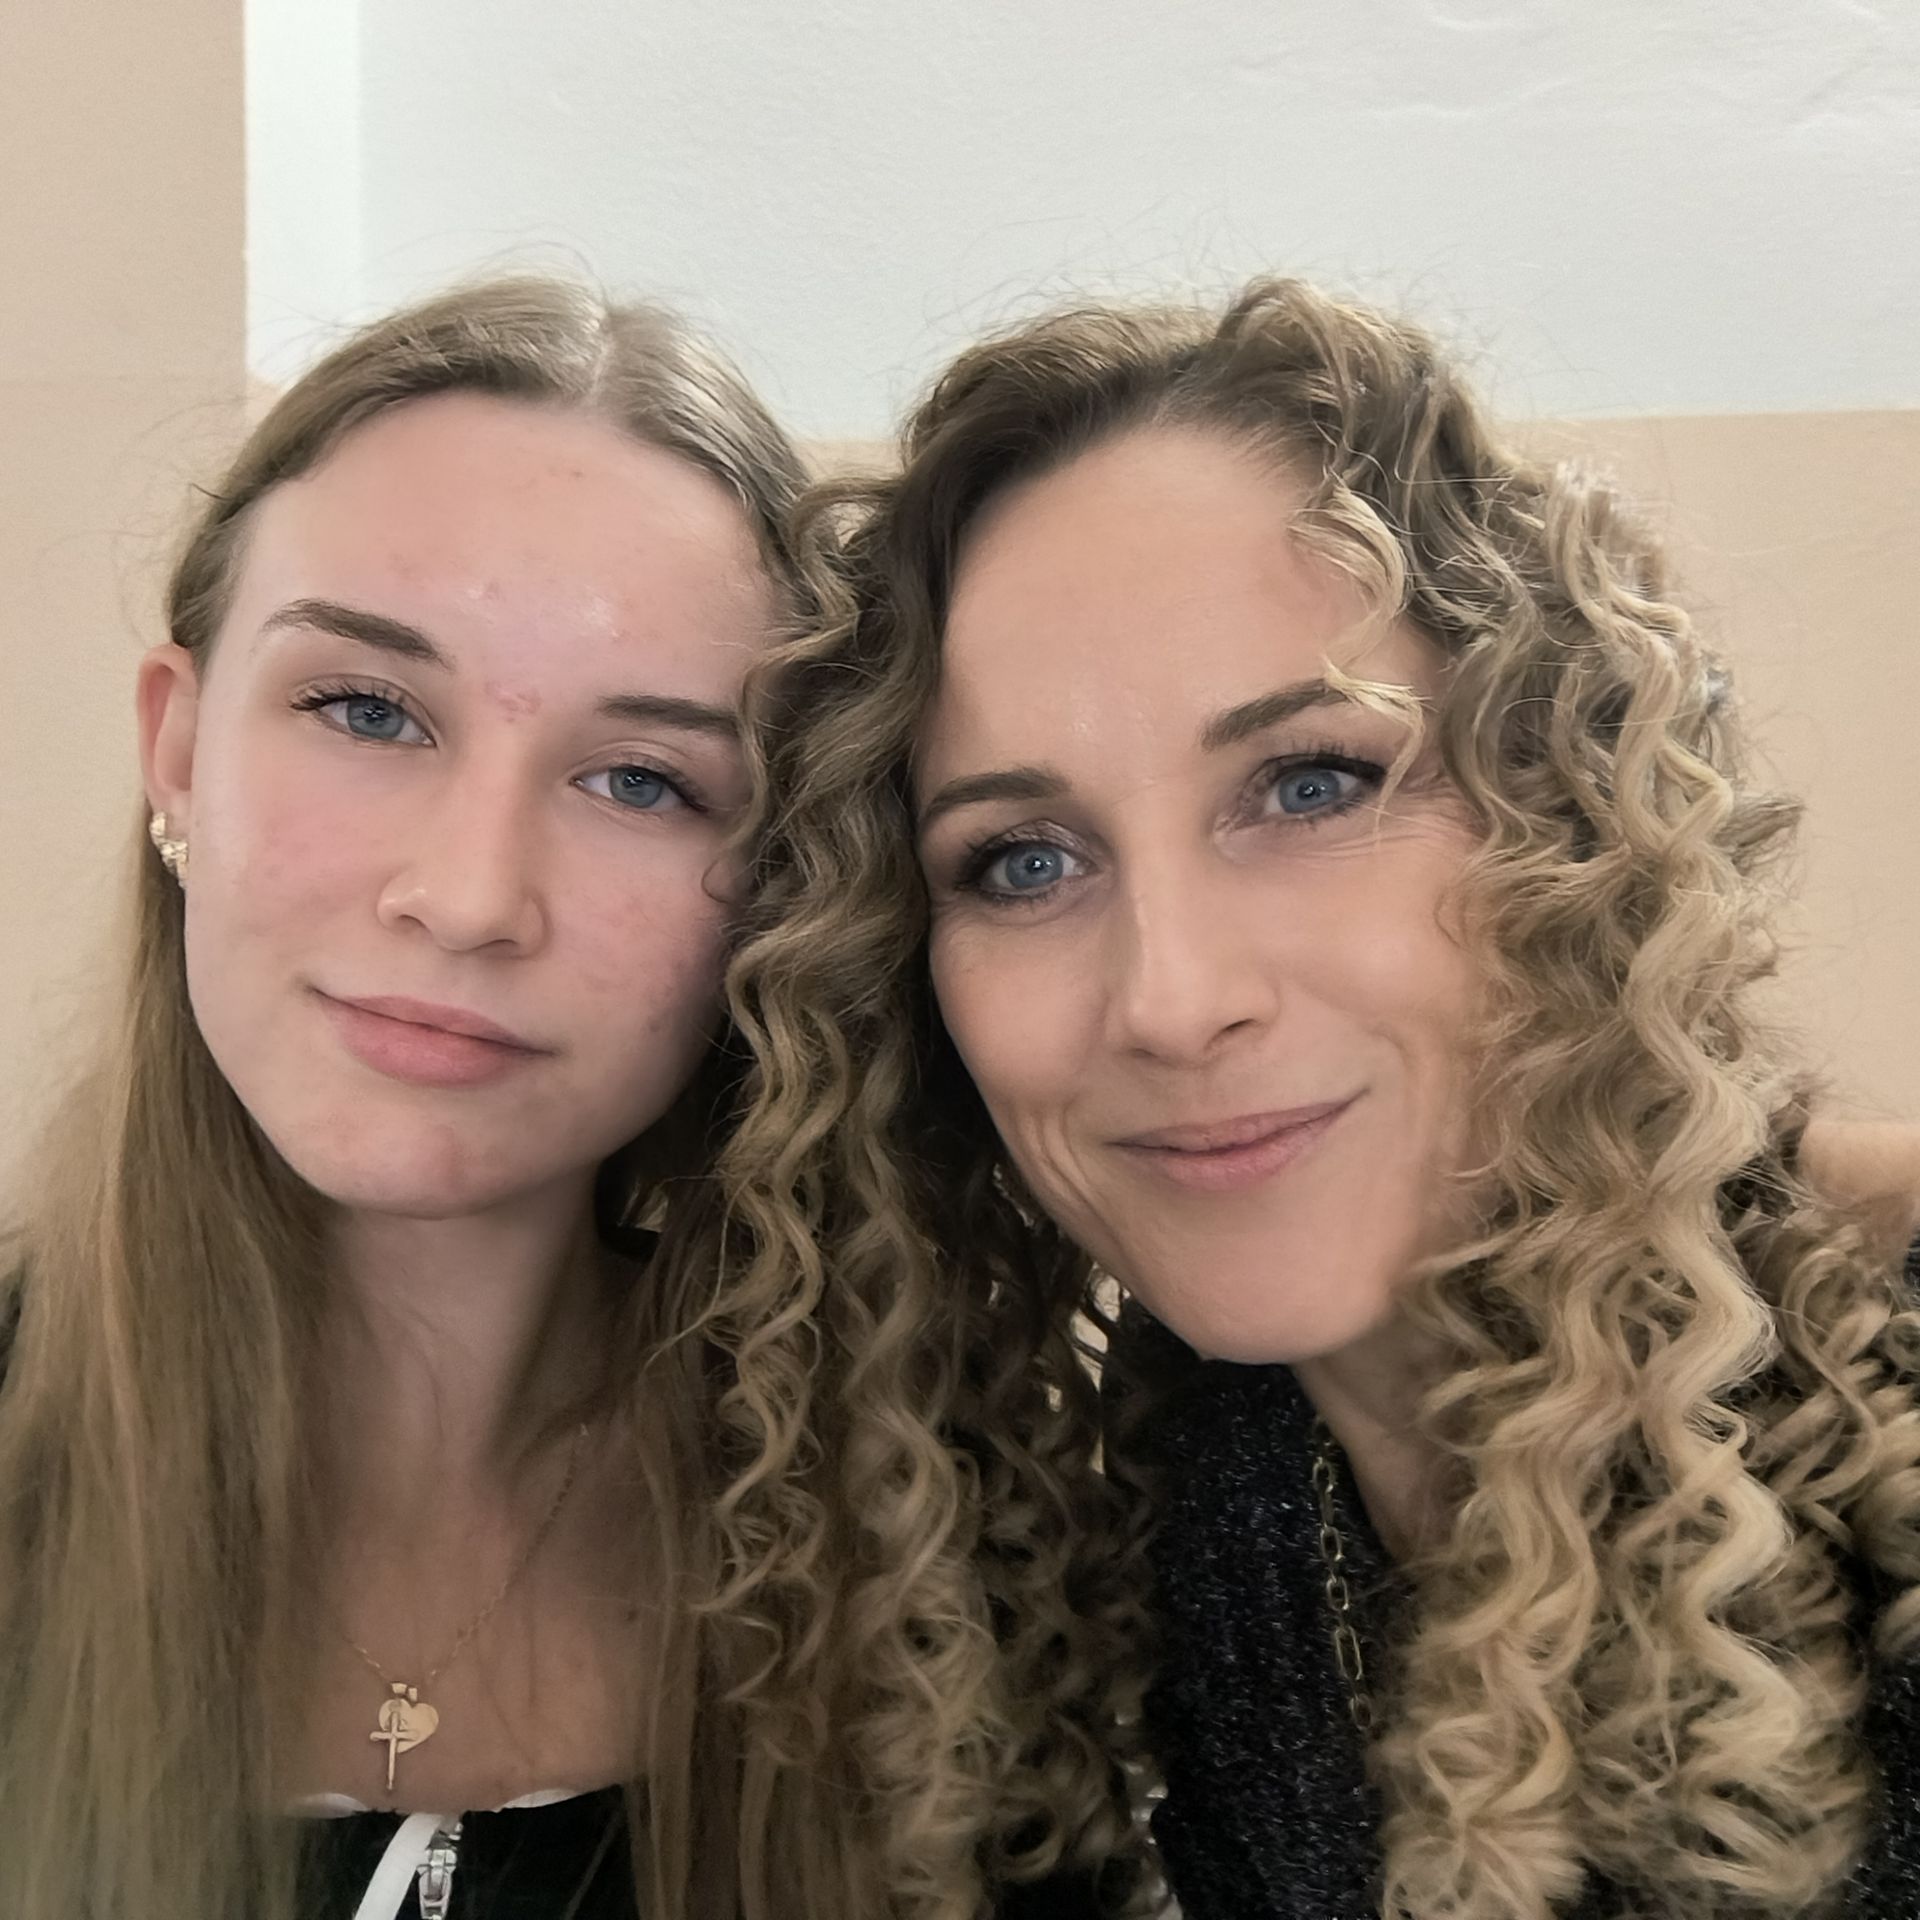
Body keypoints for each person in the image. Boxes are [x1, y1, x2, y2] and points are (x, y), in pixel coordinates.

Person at [724, 278, 1920, 1918]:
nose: (1170, 999)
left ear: (1570, 814)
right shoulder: (1234, 1498)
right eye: (1023, 861)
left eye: (1308, 784)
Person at [0, 277, 1120, 1920]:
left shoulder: (954, 1552)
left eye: (640, 780)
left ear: (779, 885)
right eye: (367, 710)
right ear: (178, 752)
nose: (469, 898)